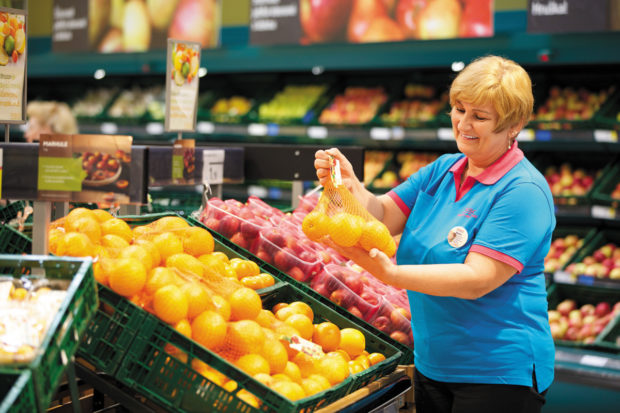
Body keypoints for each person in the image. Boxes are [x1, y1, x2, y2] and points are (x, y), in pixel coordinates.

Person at [314, 55, 554, 413]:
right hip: (433, 362)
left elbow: (477, 279)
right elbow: (381, 216)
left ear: (514, 125)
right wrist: (349, 187)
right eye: (459, 109)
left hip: (498, 373)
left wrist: (390, 274)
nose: (464, 123)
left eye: (480, 116)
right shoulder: (444, 170)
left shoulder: (523, 191)